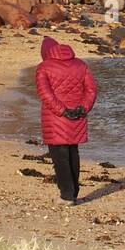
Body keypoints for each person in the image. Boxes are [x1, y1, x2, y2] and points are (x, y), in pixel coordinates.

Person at [35, 36, 97, 206]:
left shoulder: (44, 67)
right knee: (72, 153)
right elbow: (91, 90)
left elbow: (45, 94)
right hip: (77, 115)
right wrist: (82, 108)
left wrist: (62, 111)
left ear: (45, 53)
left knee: (60, 156)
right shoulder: (81, 65)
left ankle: (67, 195)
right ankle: (73, 193)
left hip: (56, 117)